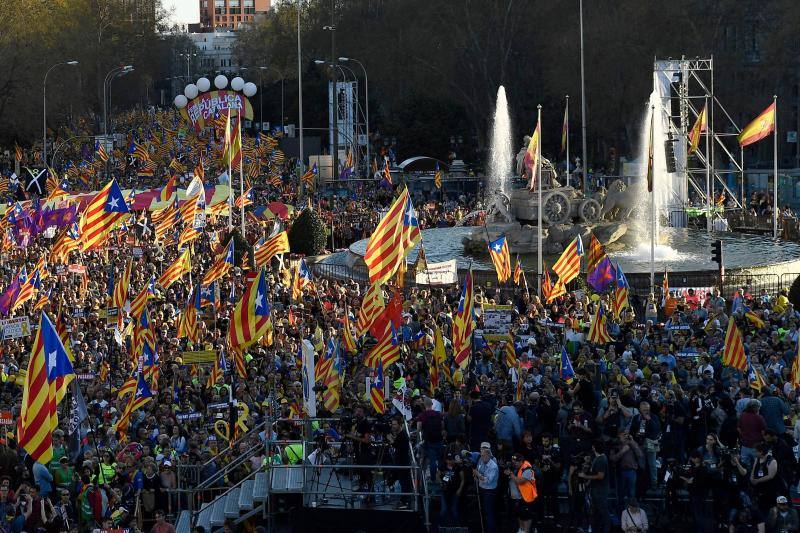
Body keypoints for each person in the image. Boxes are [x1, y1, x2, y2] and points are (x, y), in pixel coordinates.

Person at [578, 439, 610, 533]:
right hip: (596, 490)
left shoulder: (601, 459)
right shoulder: (597, 458)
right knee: (596, 513)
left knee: (603, 513)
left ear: (594, 447)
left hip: (600, 491)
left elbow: (600, 476)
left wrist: (585, 476)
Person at [505, 452, 537, 533]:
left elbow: (520, 481)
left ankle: (526, 531)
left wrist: (510, 474)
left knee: (526, 516)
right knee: (519, 514)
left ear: (522, 461)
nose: (515, 463)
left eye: (517, 461)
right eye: (514, 461)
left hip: (526, 497)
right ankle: (521, 529)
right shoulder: (514, 468)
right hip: (516, 498)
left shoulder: (527, 469)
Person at [472, 442, 498, 533]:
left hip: (489, 491)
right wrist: (476, 474)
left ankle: (491, 530)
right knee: (483, 511)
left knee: (489, 512)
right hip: (482, 489)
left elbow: (487, 480)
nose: (482, 457)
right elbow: (479, 470)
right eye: (481, 455)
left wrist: (478, 475)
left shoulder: (493, 466)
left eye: (483, 456)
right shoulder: (481, 460)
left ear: (489, 454)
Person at [416, 397, 444, 481]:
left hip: (429, 441)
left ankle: (433, 479)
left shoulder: (422, 415)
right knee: (440, 460)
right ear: (432, 405)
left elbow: (418, 429)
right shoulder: (438, 414)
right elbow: (442, 426)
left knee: (432, 461)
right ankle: (441, 477)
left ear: (424, 405)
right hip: (439, 440)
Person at [437, 453, 465, 527]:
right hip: (444, 491)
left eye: (451, 460)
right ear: (446, 460)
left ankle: (457, 526)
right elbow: (437, 475)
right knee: (444, 510)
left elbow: (462, 480)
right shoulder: (442, 467)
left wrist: (460, 489)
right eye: (448, 460)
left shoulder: (458, 467)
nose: (450, 461)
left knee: (454, 510)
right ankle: (440, 525)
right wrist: (440, 482)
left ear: (454, 460)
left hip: (455, 491)